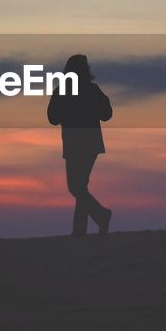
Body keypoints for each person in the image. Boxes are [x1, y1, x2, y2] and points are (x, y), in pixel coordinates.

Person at [47, 54, 113, 236]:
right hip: (90, 143)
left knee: (76, 187)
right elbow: (107, 114)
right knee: (80, 186)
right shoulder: (92, 90)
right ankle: (80, 230)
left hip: (75, 144)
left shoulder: (63, 90)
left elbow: (52, 118)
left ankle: (100, 215)